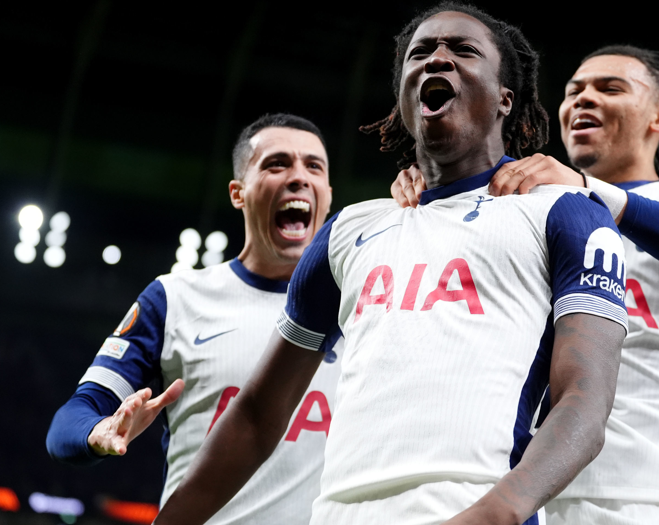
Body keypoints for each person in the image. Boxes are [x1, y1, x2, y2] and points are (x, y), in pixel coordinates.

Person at [153, 4, 628, 525]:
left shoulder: (565, 213)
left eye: (462, 50)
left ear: (504, 100)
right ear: (403, 100)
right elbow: (258, 416)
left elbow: (585, 402)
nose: (436, 60)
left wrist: (496, 513)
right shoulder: (350, 229)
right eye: (420, 53)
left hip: (472, 507)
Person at [392, 45, 659, 524]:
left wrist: (592, 192)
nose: (583, 99)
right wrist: (431, 195)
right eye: (573, 92)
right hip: (534, 495)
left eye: (610, 88)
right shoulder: (531, 203)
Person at [45, 113, 339, 525]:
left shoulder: (360, 304)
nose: (298, 177)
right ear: (238, 192)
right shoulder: (175, 297)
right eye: (277, 164)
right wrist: (97, 433)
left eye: (313, 166)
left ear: (327, 193)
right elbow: (69, 422)